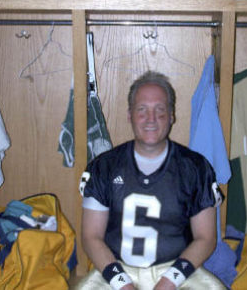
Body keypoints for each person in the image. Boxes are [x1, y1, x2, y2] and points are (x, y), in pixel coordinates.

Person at [76, 71, 226, 290]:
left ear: (172, 115)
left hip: (176, 272)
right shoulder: (104, 167)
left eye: (160, 110)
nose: (151, 119)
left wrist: (169, 281)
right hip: (117, 270)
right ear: (130, 115)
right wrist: (122, 284)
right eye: (142, 110)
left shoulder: (195, 167)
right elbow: (91, 236)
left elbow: (206, 238)